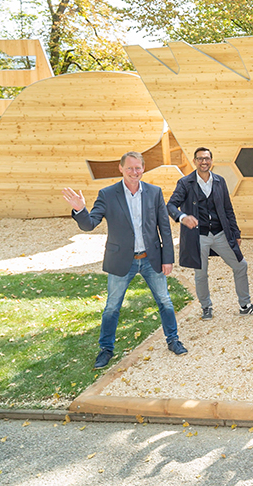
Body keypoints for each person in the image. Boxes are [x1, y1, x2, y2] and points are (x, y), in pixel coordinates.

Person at [62, 152, 187, 369]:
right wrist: (80, 209)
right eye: (129, 168)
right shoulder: (108, 194)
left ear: (143, 168)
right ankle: (106, 350)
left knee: (165, 301)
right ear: (121, 169)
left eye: (138, 168)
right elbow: (90, 224)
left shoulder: (155, 192)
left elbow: (164, 229)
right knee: (112, 307)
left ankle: (173, 340)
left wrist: (168, 258)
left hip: (151, 258)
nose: (134, 172)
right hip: (122, 260)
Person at [167, 147, 253, 320]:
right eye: (200, 159)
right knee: (201, 274)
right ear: (194, 161)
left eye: (207, 159)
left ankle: (245, 305)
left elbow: (228, 209)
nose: (204, 162)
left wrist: (236, 232)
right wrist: (183, 217)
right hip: (199, 237)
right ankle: (206, 307)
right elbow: (170, 205)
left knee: (241, 265)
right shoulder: (185, 183)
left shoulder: (220, 181)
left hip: (221, 234)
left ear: (211, 161)